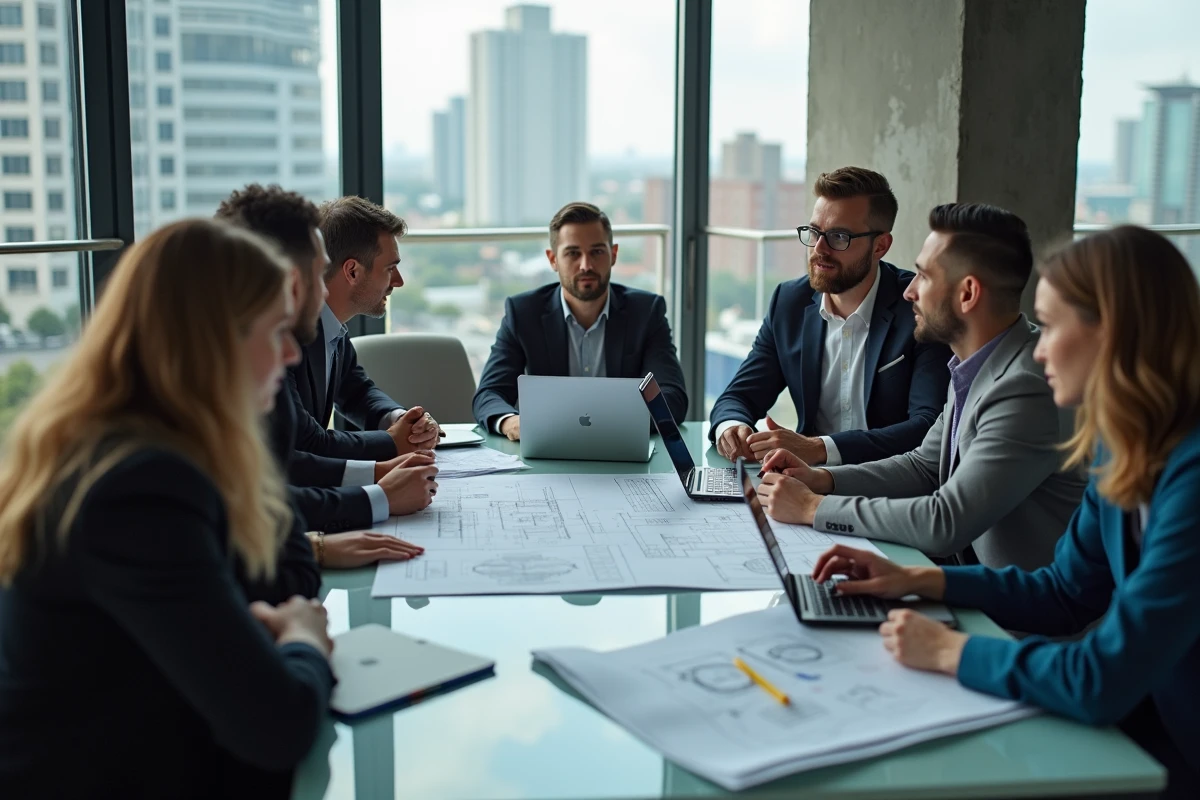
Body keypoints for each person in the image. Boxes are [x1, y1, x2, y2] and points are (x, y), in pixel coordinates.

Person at [808, 226, 1200, 796]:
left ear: (1112, 333)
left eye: (1053, 325)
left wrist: (951, 649)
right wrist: (921, 578)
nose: (1039, 349)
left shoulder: (1190, 476)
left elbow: (1101, 679)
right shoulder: (1124, 445)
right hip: (1153, 720)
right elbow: (1065, 592)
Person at [0, 219, 334, 797]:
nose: (290, 354)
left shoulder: (137, 449)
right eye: (276, 329)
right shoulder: (140, 487)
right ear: (215, 341)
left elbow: (268, 579)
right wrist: (304, 639)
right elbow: (277, 726)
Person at [758, 204, 1085, 570]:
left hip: (1015, 619)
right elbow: (924, 468)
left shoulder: (1026, 389)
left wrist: (812, 507)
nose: (909, 292)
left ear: (967, 294)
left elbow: (944, 523)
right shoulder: (973, 364)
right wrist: (822, 479)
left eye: (924, 277)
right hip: (968, 586)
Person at [217, 185, 436, 556]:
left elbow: (252, 497)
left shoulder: (283, 334)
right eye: (316, 272)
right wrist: (378, 488)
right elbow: (287, 460)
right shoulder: (244, 354)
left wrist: (394, 427)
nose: (320, 290)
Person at [710, 167, 950, 467]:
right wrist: (732, 427)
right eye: (814, 232)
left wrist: (821, 448)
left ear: (880, 246)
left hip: (888, 484)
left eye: (839, 236)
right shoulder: (789, 303)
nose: (819, 249)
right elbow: (738, 397)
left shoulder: (918, 307)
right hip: (802, 479)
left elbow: (928, 426)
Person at [472, 201, 688, 440]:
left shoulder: (646, 312)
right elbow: (489, 394)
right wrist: (510, 422)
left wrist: (602, 426)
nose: (586, 265)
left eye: (596, 251)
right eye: (573, 253)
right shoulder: (523, 313)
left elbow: (672, 397)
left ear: (613, 254)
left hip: (622, 450)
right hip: (547, 449)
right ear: (553, 259)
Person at [288, 196, 440, 461]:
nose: (399, 281)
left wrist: (401, 419)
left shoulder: (331, 323)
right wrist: (392, 443)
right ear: (353, 272)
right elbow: (306, 442)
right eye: (391, 268)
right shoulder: (287, 335)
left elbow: (356, 391)